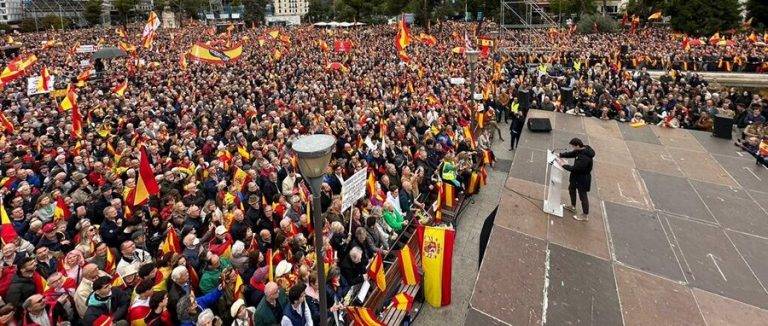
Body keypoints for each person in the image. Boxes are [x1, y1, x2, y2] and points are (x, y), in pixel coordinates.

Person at [557, 138, 595, 221]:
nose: (573, 148)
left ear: (578, 145)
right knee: (571, 189)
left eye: (573, 146)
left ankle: (585, 215)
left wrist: (563, 165)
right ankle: (573, 206)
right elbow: (572, 154)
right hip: (576, 177)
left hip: (583, 179)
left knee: (583, 196)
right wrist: (561, 155)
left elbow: (575, 168)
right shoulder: (580, 149)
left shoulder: (584, 157)